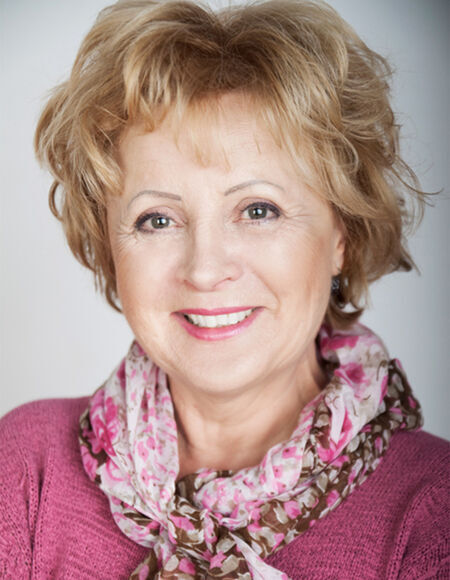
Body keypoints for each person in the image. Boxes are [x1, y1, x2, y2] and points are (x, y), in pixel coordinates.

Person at [0, 0, 448, 578]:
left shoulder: (431, 510)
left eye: (258, 210)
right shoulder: (25, 470)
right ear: (110, 246)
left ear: (341, 234)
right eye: (157, 219)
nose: (205, 269)